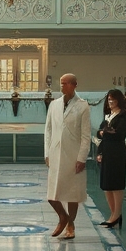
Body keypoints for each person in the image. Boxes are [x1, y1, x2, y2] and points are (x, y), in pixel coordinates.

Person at [44, 73, 91, 239]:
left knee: (72, 193)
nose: (62, 86)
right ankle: (62, 216)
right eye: (61, 83)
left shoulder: (83, 106)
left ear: (74, 85)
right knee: (52, 194)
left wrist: (82, 158)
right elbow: (48, 130)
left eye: (65, 84)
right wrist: (47, 152)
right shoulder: (55, 104)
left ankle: (70, 224)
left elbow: (86, 135)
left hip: (73, 154)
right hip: (56, 153)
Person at [96, 88, 126, 227]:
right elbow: (100, 133)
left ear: (119, 101)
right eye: (109, 100)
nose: (110, 102)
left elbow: (120, 135)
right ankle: (113, 214)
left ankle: (117, 214)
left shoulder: (123, 116)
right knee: (106, 185)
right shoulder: (108, 115)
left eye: (113, 100)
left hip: (117, 153)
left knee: (116, 184)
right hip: (107, 151)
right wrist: (100, 152)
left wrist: (105, 133)